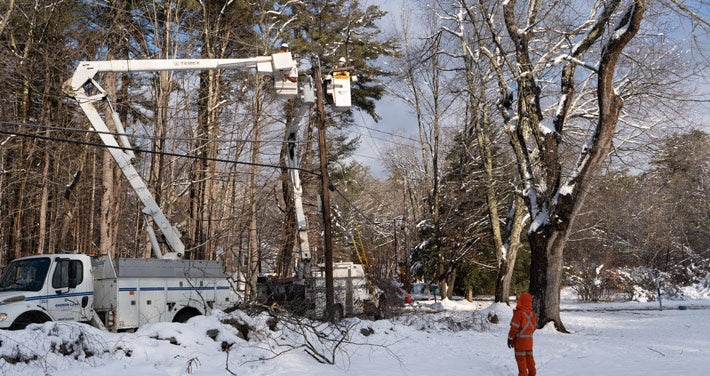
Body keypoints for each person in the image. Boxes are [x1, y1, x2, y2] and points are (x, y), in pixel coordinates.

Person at [508, 292, 537, 376]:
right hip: (529, 342)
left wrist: (510, 338)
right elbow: (534, 327)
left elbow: (513, 328)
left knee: (521, 363)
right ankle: (532, 374)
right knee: (530, 360)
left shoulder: (519, 314)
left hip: (520, 342)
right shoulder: (532, 314)